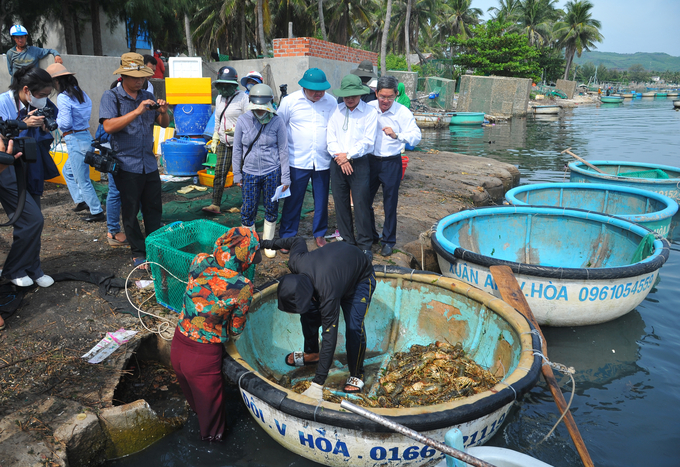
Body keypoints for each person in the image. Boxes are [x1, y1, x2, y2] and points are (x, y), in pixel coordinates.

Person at [171, 227, 262, 441]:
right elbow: (235, 330)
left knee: (198, 409)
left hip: (178, 345)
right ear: (244, 255)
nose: (255, 257)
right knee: (213, 434)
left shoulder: (199, 260)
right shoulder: (243, 286)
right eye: (253, 251)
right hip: (202, 358)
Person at [262, 236, 376, 396]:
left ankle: (357, 373)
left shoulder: (327, 293)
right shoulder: (296, 262)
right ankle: (312, 353)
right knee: (308, 312)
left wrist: (318, 383)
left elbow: (330, 336)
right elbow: (297, 241)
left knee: (354, 327)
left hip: (360, 279)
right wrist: (264, 244)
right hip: (336, 272)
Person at [99, 52, 169, 268]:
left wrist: (164, 111)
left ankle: (154, 248)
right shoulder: (111, 97)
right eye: (134, 77)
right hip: (126, 164)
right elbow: (108, 126)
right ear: (123, 77)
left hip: (148, 164)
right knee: (130, 211)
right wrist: (137, 111)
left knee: (153, 209)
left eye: (142, 77)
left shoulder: (146, 96)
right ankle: (138, 251)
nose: (140, 81)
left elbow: (164, 124)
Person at [0, 66, 58, 288]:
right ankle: (14, 268)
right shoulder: (4, 103)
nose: (44, 100)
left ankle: (33, 268)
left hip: (31, 168)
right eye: (41, 96)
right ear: (26, 89)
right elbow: (4, 135)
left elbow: (48, 129)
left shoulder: (36, 105)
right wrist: (24, 123)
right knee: (32, 220)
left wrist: (42, 125)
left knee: (32, 222)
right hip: (7, 170)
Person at [278, 68, 337, 250]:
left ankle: (319, 234)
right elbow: (279, 127)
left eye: (322, 90)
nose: (319, 94)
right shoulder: (290, 102)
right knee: (294, 198)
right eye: (314, 90)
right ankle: (288, 235)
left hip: (322, 160)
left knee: (321, 199)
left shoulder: (331, 102)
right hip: (297, 160)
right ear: (304, 87)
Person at [232, 84, 290, 259]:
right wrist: (237, 173)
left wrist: (285, 177)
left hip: (272, 171)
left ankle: (268, 244)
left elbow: (283, 150)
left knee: (271, 207)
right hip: (249, 172)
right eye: (256, 107)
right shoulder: (243, 120)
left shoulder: (277, 121)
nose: (260, 111)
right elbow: (237, 149)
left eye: (263, 107)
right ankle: (250, 243)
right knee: (248, 208)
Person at [368, 76, 422, 257]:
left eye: (390, 97)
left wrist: (397, 135)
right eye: (382, 97)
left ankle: (388, 240)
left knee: (390, 203)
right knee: (364, 200)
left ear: (396, 95)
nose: (385, 101)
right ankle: (370, 235)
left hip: (391, 161)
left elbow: (416, 136)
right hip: (370, 160)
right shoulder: (368, 109)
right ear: (376, 93)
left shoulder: (403, 112)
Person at [327, 74, 378, 260]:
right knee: (340, 203)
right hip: (337, 162)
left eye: (354, 95)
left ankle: (365, 244)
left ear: (360, 94)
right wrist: (340, 158)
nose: (350, 99)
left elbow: (368, 141)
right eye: (347, 95)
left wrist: (347, 156)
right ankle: (348, 241)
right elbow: (330, 138)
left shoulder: (370, 112)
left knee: (361, 203)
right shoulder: (336, 110)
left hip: (359, 163)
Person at [46, 63, 104, 222]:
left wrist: (53, 121)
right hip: (85, 137)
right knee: (68, 171)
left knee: (82, 179)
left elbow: (65, 123)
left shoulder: (63, 97)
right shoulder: (81, 94)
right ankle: (81, 200)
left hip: (75, 140)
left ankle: (96, 211)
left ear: (57, 81)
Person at [202, 66, 249, 215]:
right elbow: (217, 119)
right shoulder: (219, 98)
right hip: (224, 142)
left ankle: (248, 203)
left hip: (240, 143)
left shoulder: (243, 98)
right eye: (221, 84)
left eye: (226, 85)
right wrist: (216, 136)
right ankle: (215, 204)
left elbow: (250, 120)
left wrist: (238, 130)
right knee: (219, 173)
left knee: (243, 175)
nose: (224, 87)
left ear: (233, 84)